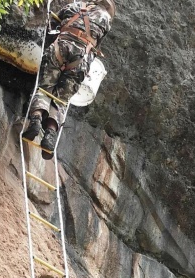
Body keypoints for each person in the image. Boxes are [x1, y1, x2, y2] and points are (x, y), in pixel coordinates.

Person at [22, 0, 115, 159]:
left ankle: (36, 120)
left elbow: (52, 24)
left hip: (61, 47)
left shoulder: (74, 6)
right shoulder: (106, 20)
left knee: (45, 87)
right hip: (81, 58)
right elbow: (96, 43)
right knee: (61, 99)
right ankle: (50, 133)